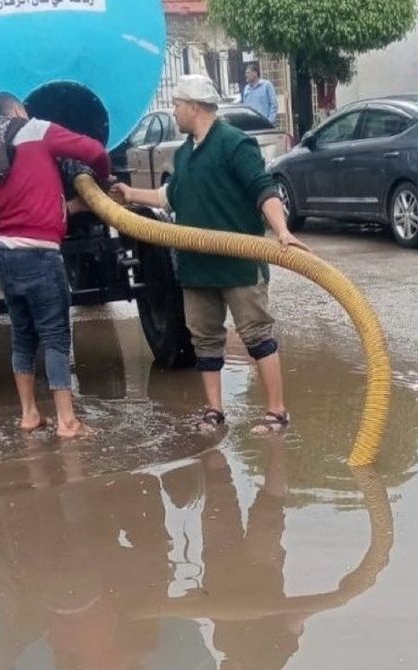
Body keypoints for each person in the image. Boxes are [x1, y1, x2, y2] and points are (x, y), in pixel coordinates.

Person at [110, 74, 307, 435]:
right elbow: (170, 197)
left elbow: (264, 190)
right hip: (196, 268)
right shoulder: (185, 153)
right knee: (204, 339)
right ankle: (214, 411)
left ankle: (277, 412)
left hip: (239, 266)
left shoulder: (234, 144)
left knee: (257, 336)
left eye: (177, 105)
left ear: (194, 106)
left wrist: (282, 232)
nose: (174, 112)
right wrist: (130, 194)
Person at [0, 91, 111, 438]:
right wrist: (102, 179)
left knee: (23, 336)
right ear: (17, 109)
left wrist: (75, 205)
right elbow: (95, 152)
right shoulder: (36, 129)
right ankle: (67, 422)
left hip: (5, 255)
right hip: (40, 255)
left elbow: (30, 205)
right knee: (55, 337)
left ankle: (29, 415)